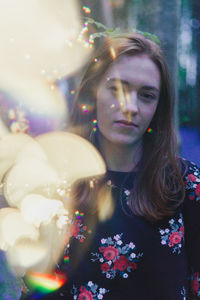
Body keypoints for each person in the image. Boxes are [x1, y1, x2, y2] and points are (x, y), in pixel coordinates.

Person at [35, 33, 200, 299]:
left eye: (146, 95)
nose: (129, 107)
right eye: (117, 88)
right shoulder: (55, 183)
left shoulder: (187, 185)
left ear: (159, 107)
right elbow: (37, 285)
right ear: (92, 92)